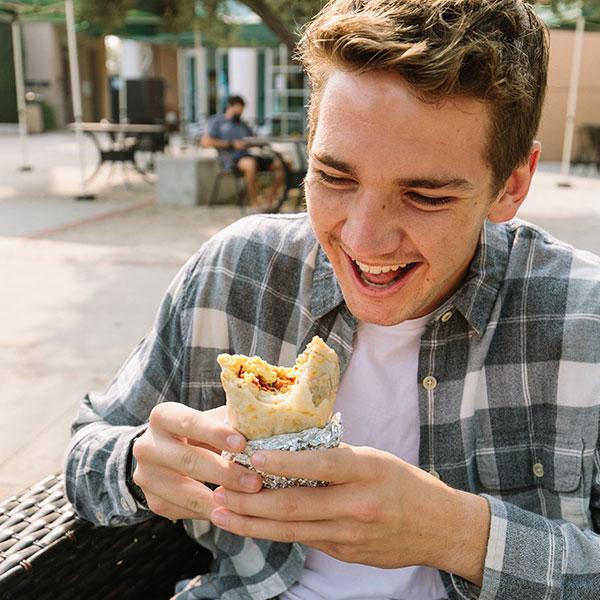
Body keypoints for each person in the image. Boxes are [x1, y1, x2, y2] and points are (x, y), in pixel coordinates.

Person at [64, 1, 600, 598]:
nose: (363, 238)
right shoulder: (239, 273)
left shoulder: (585, 319)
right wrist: (140, 465)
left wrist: (460, 535)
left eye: (425, 196)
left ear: (513, 185)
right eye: (335, 178)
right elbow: (87, 453)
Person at [201, 95, 285, 209]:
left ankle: (269, 200)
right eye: (238, 110)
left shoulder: (243, 124)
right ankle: (254, 203)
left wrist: (258, 143)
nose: (240, 113)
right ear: (229, 107)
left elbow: (252, 139)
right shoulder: (217, 122)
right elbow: (205, 142)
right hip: (230, 159)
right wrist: (231, 144)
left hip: (247, 155)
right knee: (250, 164)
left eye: (241, 110)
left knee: (281, 165)